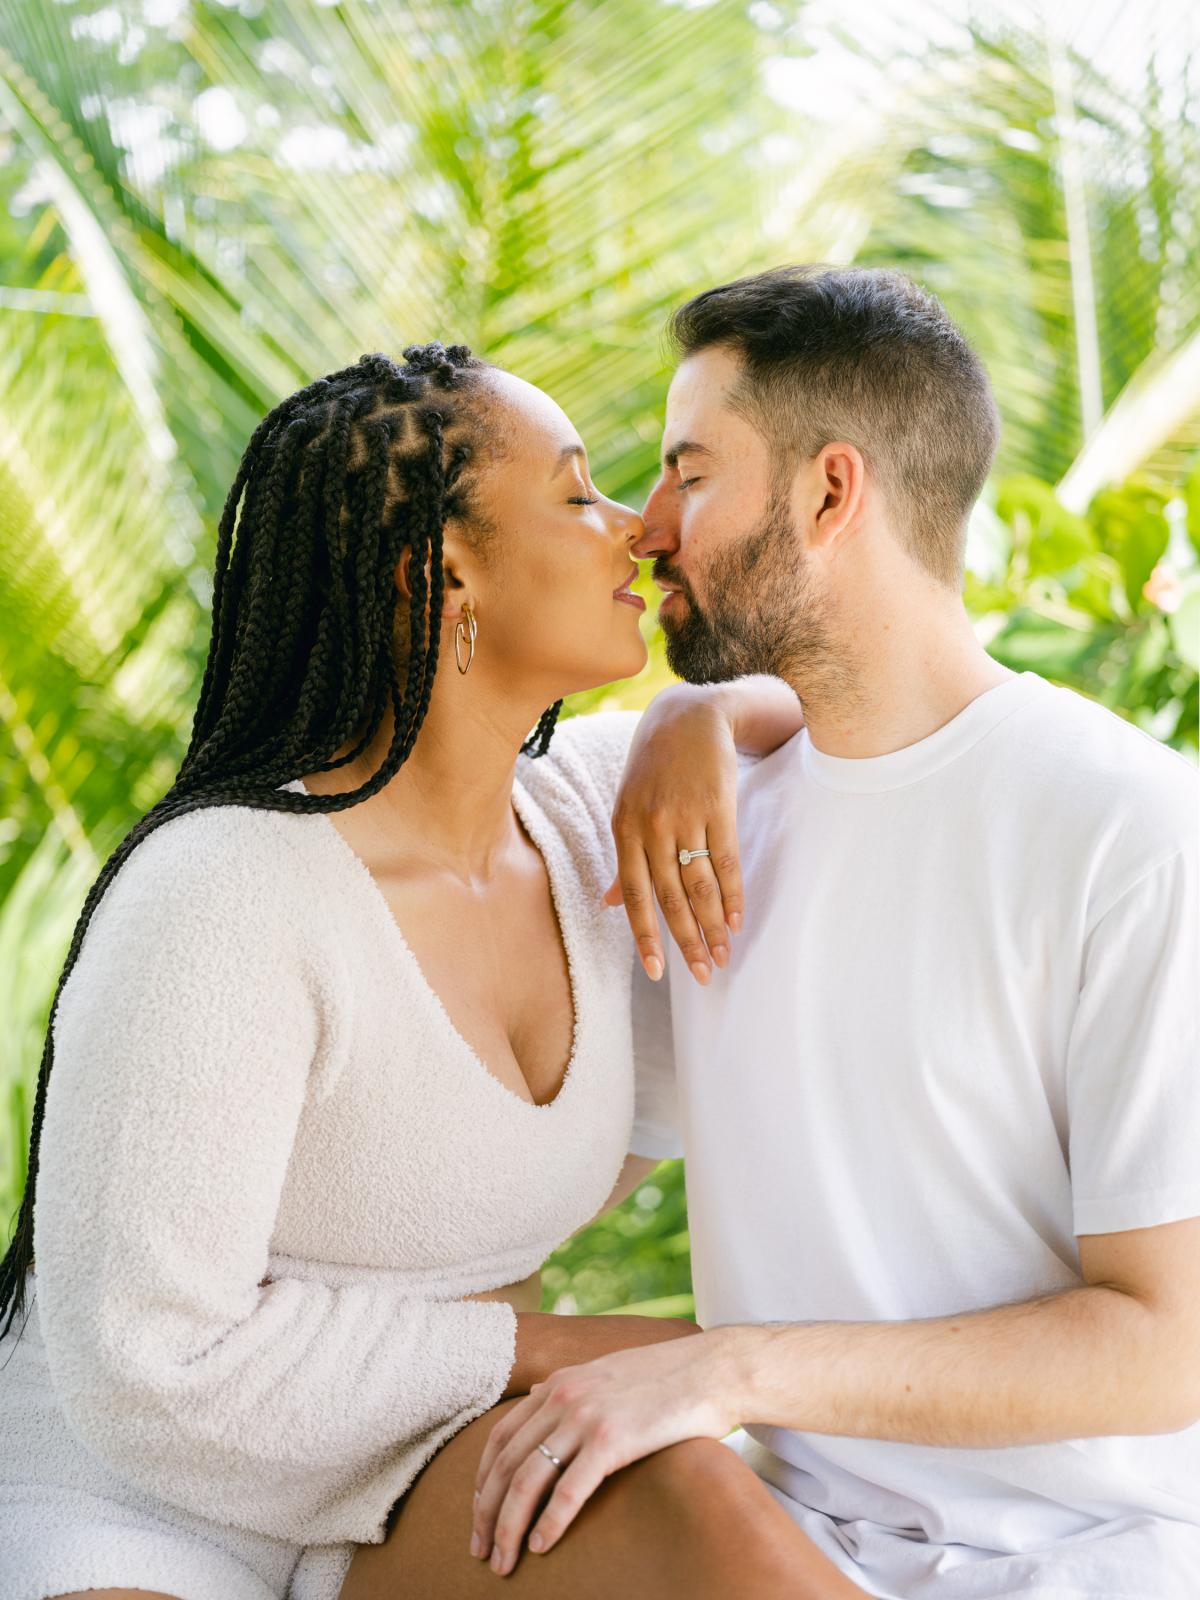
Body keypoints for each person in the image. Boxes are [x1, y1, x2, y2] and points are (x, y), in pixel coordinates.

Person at [0, 342, 863, 1600]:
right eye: (578, 495)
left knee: (697, 1504)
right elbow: (145, 1364)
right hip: (141, 1490)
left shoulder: (578, 824)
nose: (637, 531)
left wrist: (694, 716)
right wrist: (624, 1347)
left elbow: (811, 706)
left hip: (406, 1463)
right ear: (442, 568)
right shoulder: (226, 892)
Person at [471, 267, 1200, 1599]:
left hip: (1086, 1569)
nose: (645, 526)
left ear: (829, 493)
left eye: (691, 473)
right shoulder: (713, 825)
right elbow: (551, 1187)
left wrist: (730, 1366)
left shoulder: (1131, 833)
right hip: (773, 1549)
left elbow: (1168, 1347)